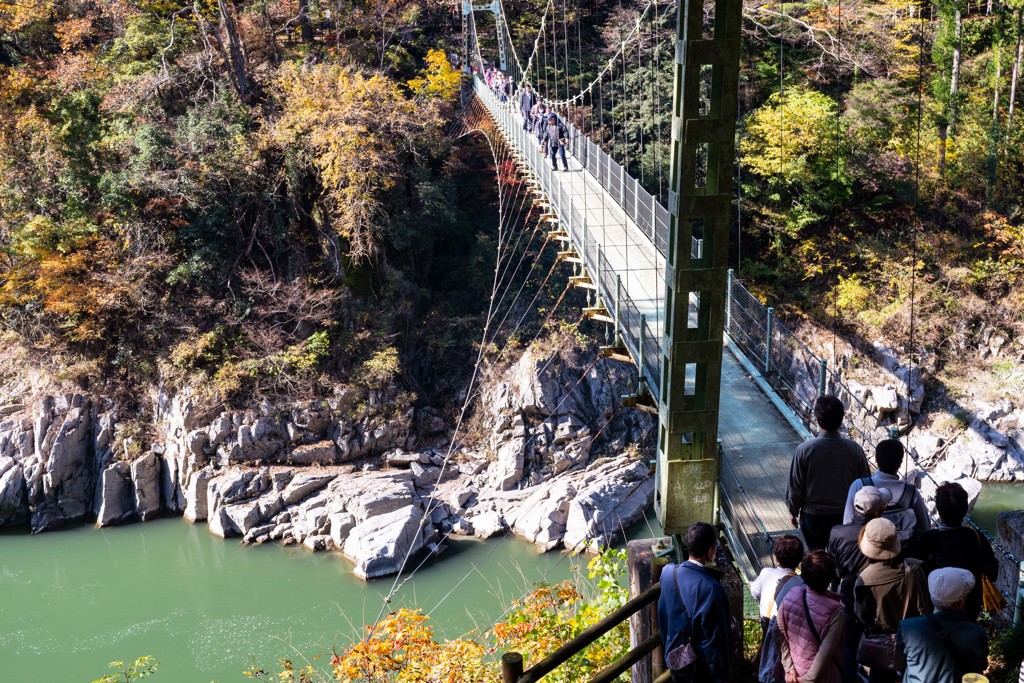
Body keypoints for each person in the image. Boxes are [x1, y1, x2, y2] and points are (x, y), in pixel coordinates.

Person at [786, 395, 871, 550]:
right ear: (841, 418)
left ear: (817, 419)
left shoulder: (804, 450)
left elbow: (795, 486)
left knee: (813, 561)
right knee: (841, 560)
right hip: (846, 516)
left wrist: (793, 510)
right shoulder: (855, 450)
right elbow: (865, 485)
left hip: (812, 517)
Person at [853, 518, 931, 683]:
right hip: (916, 638)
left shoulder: (864, 579)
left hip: (883, 644)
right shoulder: (916, 567)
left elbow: (861, 616)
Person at [907, 481, 998, 622]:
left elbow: (912, 571)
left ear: (938, 509)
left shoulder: (928, 539)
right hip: (968, 607)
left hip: (933, 606)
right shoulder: (976, 536)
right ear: (965, 509)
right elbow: (993, 572)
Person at [828, 486, 890, 683]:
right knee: (880, 647)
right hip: (878, 599)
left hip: (847, 597)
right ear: (880, 511)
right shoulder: (886, 534)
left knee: (848, 647)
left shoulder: (837, 532)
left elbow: (832, 565)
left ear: (854, 507)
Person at [657, 522, 733, 682]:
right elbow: (717, 641)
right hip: (700, 668)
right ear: (711, 551)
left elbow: (662, 614)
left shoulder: (668, 573)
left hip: (676, 656)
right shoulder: (713, 589)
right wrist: (723, 676)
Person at [897, 567, 988, 683]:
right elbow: (981, 666)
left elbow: (902, 661)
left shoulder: (907, 628)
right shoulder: (976, 634)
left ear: (932, 596)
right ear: (960, 602)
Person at [842, 439, 929, 543]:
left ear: (876, 459)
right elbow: (925, 528)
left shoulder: (859, 485)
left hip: (865, 551)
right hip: (901, 554)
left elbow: (848, 523)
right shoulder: (911, 493)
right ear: (900, 462)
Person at [778, 551, 846, 683]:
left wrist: (789, 668)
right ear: (830, 577)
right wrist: (807, 679)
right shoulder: (836, 612)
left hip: (794, 674)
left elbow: (778, 631)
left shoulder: (791, 594)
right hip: (826, 677)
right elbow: (824, 654)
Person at [752, 535, 805, 682]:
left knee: (769, 663)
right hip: (785, 629)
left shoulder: (765, 573)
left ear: (775, 558)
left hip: (766, 620)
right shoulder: (800, 583)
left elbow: (754, 592)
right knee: (777, 664)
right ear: (800, 560)